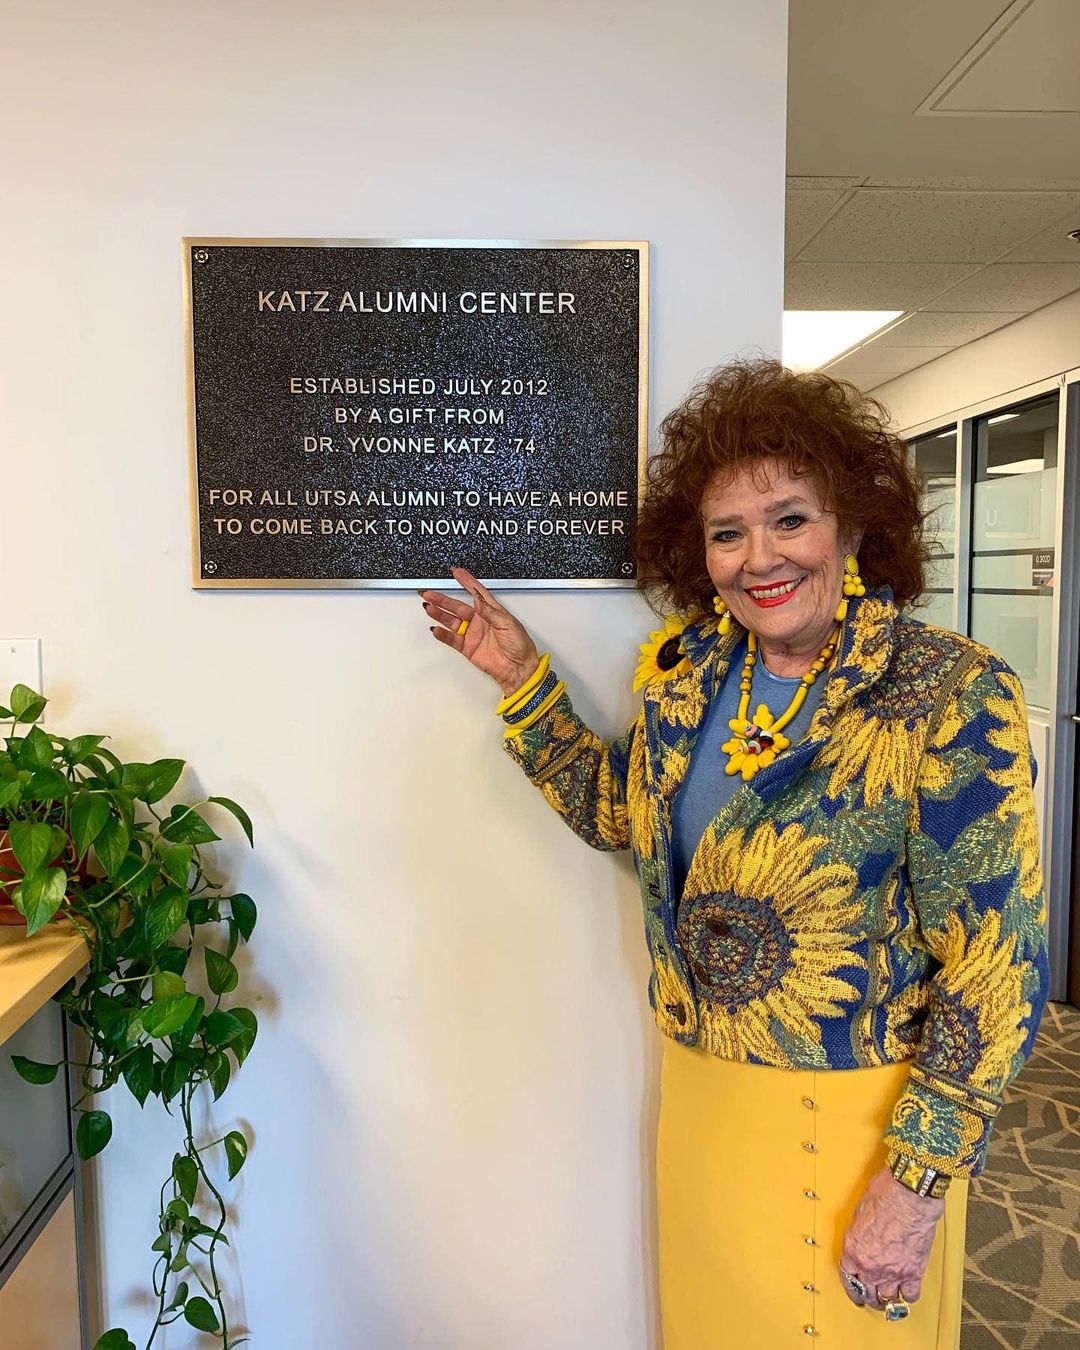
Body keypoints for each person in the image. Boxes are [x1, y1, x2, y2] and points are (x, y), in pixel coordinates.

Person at [418, 358, 1048, 1349]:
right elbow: (625, 819)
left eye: (789, 519)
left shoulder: (949, 692)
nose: (760, 557)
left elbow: (997, 961)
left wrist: (917, 1182)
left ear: (851, 526)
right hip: (704, 1110)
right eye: (728, 532)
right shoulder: (690, 677)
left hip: (858, 1128)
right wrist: (522, 678)